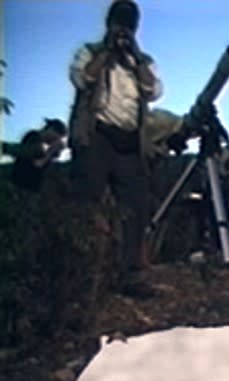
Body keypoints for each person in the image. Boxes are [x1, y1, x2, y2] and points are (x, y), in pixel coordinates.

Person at [68, 0, 163, 296]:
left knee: (136, 207)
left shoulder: (142, 61)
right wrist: (108, 50)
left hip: (129, 142)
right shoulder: (91, 52)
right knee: (87, 203)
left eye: (129, 25)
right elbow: (84, 79)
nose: (124, 30)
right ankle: (79, 274)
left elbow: (154, 91)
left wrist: (133, 56)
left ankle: (131, 276)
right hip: (97, 135)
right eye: (119, 23)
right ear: (109, 24)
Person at [9, 119, 68, 192]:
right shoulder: (34, 137)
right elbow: (38, 164)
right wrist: (51, 151)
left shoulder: (42, 144)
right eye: (55, 138)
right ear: (51, 129)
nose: (53, 141)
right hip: (23, 184)